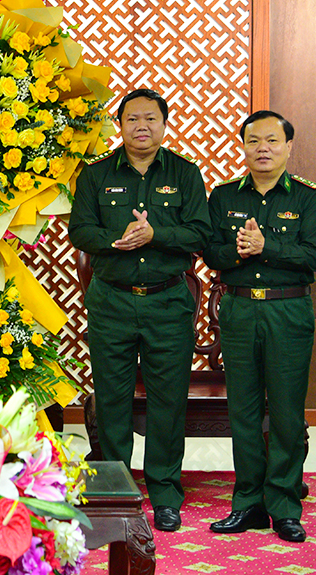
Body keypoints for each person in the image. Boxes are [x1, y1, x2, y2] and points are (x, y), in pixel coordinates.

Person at [68, 88, 211, 533]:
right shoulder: (95, 175)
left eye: (150, 118)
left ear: (164, 125)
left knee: (168, 401)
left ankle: (166, 492)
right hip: (111, 300)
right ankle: (114, 488)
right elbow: (80, 230)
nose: (141, 126)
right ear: (120, 125)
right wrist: (115, 240)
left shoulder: (185, 174)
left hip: (168, 301)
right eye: (132, 119)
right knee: (111, 400)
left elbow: (199, 233)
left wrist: (155, 235)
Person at [202, 110, 316, 543]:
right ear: (243, 145)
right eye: (254, 140)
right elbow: (213, 254)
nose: (263, 149)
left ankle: (285, 505)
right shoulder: (223, 197)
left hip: (287, 311)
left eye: (272, 141)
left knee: (288, 413)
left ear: (289, 147)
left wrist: (266, 246)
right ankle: (248, 504)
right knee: (244, 411)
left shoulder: (309, 198)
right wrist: (241, 252)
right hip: (238, 311)